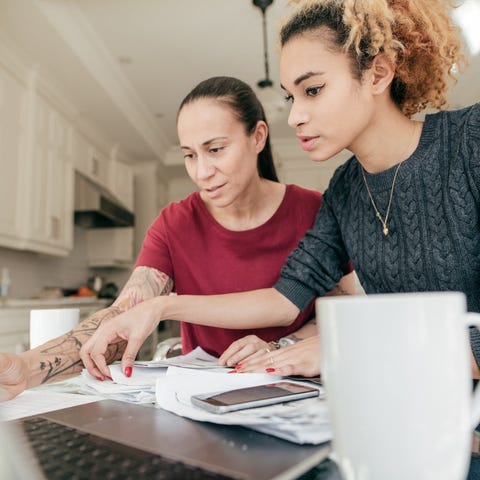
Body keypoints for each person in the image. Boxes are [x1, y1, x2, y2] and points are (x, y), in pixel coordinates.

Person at [77, 0, 480, 386]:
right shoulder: (344, 190)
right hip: (414, 417)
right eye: (291, 96)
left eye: (314, 90)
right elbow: (286, 298)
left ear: (377, 74)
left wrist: (349, 348)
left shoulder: (470, 142)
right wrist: (162, 306)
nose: (294, 116)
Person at [0, 75, 354, 401]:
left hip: (300, 395)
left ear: (257, 136)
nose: (201, 172)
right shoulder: (175, 223)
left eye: (216, 149)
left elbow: (342, 311)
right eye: (189, 155)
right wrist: (26, 368)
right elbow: (125, 316)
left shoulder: (315, 210)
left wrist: (280, 346)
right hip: (199, 402)